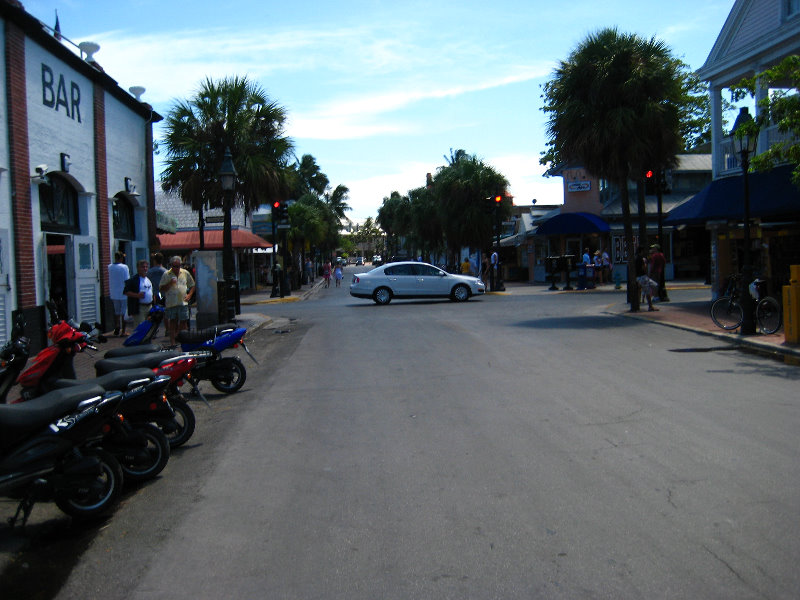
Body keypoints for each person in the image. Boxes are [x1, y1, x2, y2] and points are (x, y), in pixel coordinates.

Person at [159, 255, 195, 345]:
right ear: (171, 265)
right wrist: (170, 283)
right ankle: (173, 341)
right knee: (173, 322)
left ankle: (184, 339)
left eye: (178, 266)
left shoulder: (185, 273)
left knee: (184, 322)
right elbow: (161, 288)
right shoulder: (166, 274)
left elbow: (192, 285)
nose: (176, 268)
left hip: (183, 302)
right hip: (171, 302)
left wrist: (189, 295)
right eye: (174, 266)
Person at [124, 259, 154, 327]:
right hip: (140, 308)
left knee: (148, 327)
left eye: (146, 267)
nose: (145, 269)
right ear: (138, 268)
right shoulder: (133, 280)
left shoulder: (148, 279)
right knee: (140, 327)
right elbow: (126, 292)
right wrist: (137, 295)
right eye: (143, 267)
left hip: (149, 307)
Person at [108, 251, 130, 336]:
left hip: (113, 292)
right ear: (121, 258)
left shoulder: (110, 267)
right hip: (123, 292)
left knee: (116, 311)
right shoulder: (124, 267)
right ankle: (123, 331)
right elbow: (127, 279)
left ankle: (117, 326)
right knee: (124, 312)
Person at [635, 246, 658, 311]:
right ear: (641, 251)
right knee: (648, 290)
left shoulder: (636, 258)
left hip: (638, 277)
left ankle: (641, 305)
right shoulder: (641, 259)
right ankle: (650, 306)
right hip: (642, 276)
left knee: (652, 286)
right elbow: (644, 268)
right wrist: (645, 264)